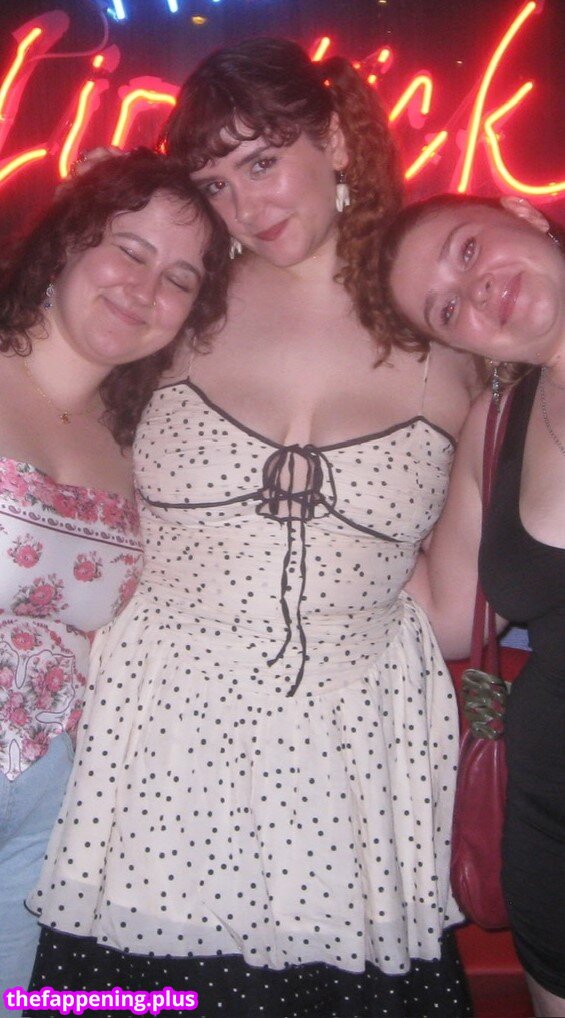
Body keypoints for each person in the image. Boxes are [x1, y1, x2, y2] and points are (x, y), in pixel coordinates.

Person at [27, 40, 479, 1017]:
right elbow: (48, 406)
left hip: (351, 756)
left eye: (262, 161)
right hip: (159, 746)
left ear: (335, 141)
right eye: (215, 182)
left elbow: (451, 607)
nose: (242, 205)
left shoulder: (448, 328)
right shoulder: (174, 303)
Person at [0, 147, 229, 1013]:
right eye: (129, 250)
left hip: (47, 807)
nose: (144, 287)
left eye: (178, 278)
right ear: (68, 241)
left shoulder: (135, 445)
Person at [378, 191, 565, 1017]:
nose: (476, 291)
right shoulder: (495, 425)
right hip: (552, 826)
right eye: (447, 310)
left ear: (522, 212)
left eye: (466, 250)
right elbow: (447, 614)